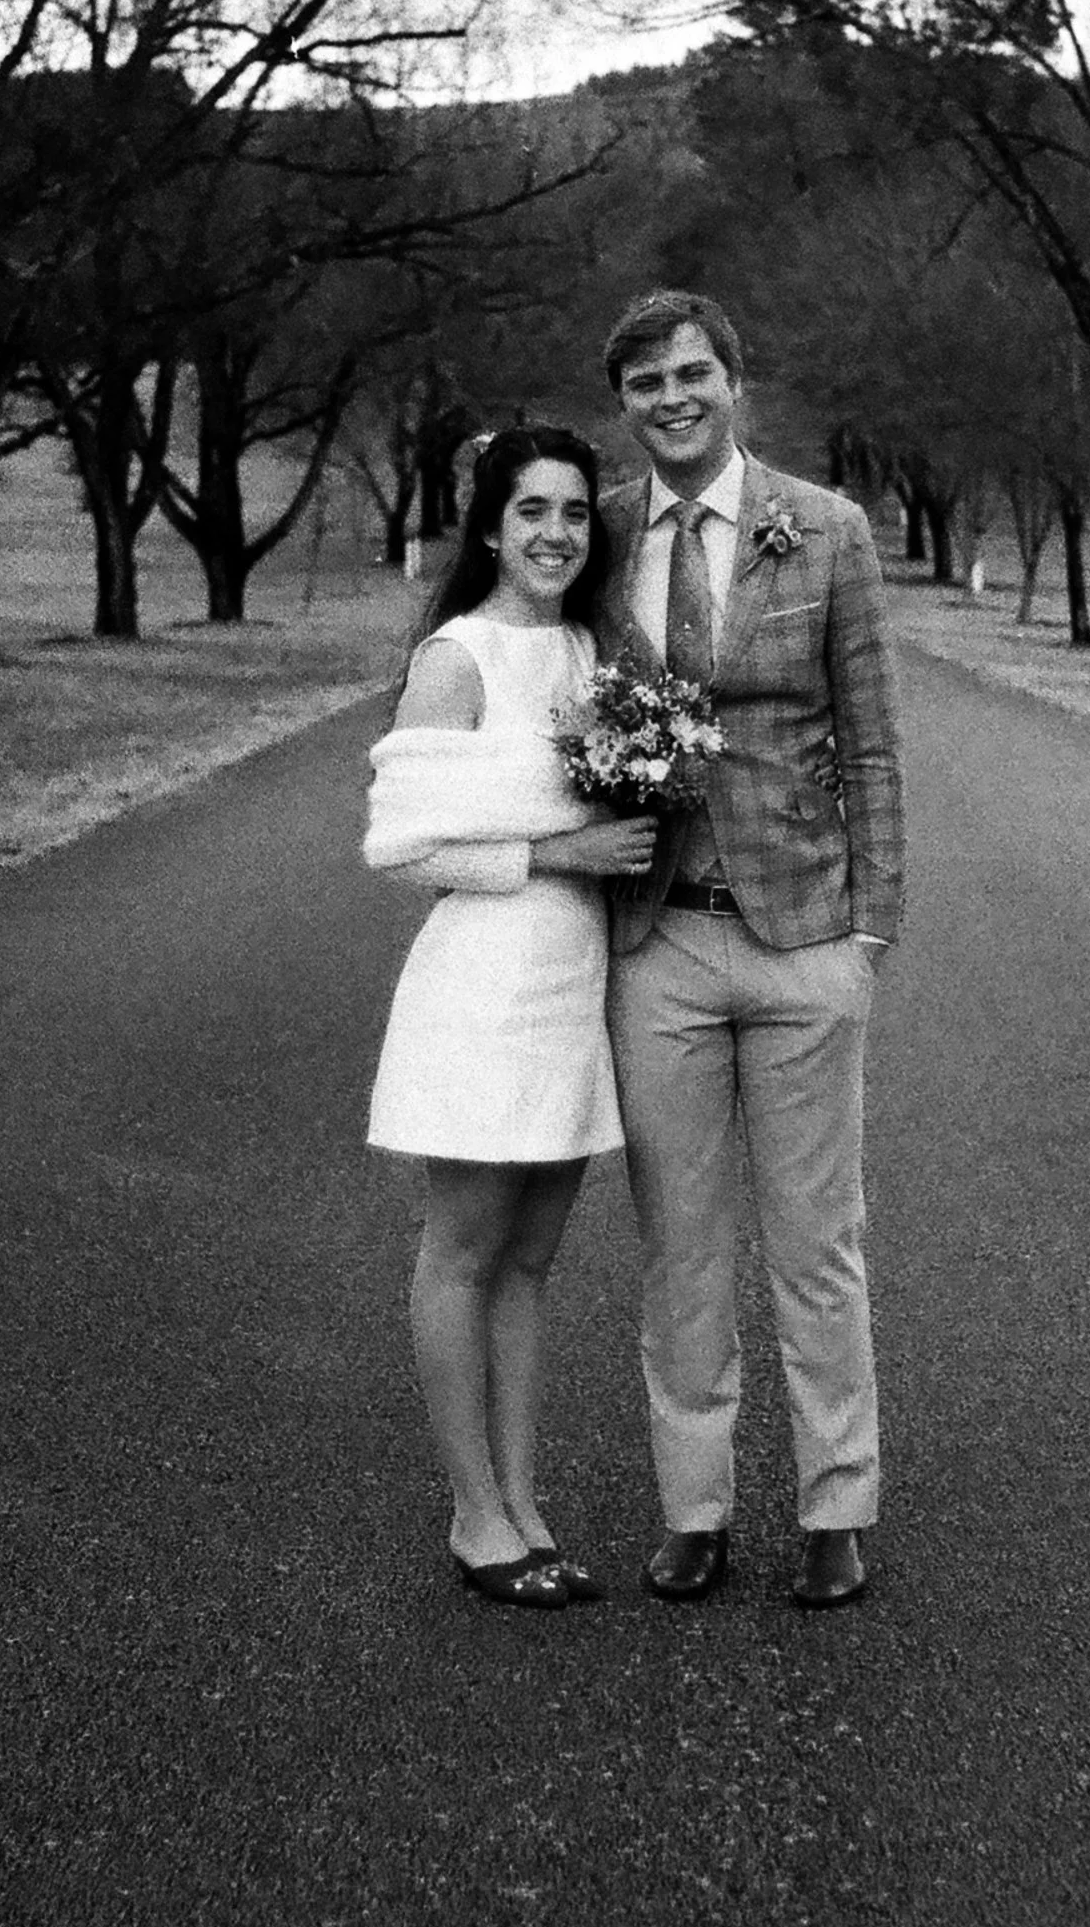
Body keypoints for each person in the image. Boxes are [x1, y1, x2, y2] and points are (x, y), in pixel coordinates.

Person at [598, 292, 905, 1609]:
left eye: (691, 372)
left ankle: (837, 1500)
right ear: (624, 401)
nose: (671, 396)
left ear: (735, 379)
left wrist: (872, 922)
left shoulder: (825, 526)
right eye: (645, 381)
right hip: (660, 940)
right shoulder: (601, 532)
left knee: (816, 1240)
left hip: (803, 936)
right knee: (680, 1241)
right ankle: (694, 1504)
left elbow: (875, 737)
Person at [364, 426, 657, 1609]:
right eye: (531, 510)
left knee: (530, 1266)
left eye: (575, 513)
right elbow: (402, 847)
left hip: (570, 990)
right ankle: (473, 1515)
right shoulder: (457, 657)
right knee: (465, 1253)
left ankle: (525, 1502)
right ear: (490, 524)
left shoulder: (595, 652)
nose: (554, 533)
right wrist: (561, 848)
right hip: (481, 990)